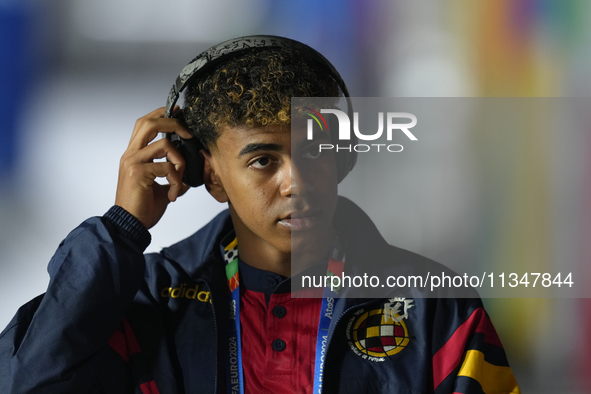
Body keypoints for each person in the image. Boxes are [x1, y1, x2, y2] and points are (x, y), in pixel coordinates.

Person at [0, 35, 520, 394]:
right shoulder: (147, 307)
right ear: (210, 174)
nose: (296, 181)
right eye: (263, 160)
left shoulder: (435, 308)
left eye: (315, 151)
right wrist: (119, 230)